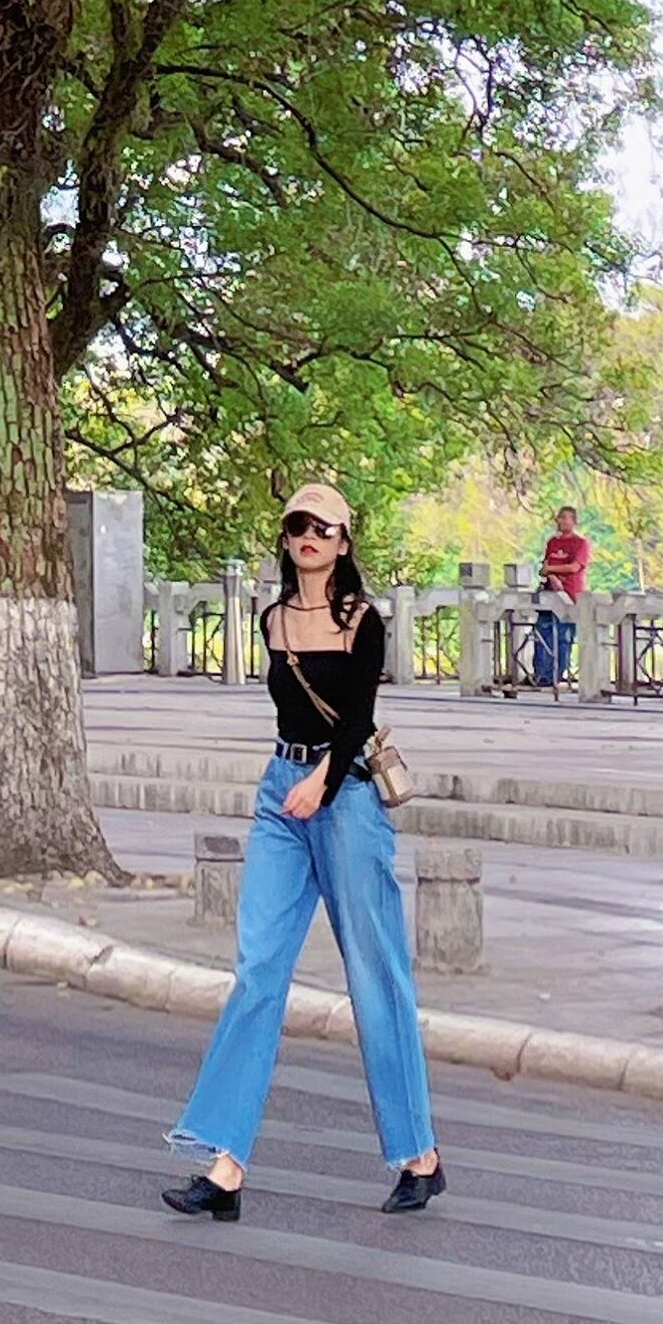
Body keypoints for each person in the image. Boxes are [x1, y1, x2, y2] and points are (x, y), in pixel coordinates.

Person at [161, 477, 444, 1221]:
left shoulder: (362, 621)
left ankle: (419, 1153)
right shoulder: (272, 620)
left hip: (344, 793)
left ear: (344, 542)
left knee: (375, 972)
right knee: (257, 971)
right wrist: (297, 781)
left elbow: (357, 717)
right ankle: (225, 1164)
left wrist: (322, 780)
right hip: (279, 794)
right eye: (297, 526)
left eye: (323, 527)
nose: (309, 536)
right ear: (286, 540)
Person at [531, 502, 589, 689]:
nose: (562, 521)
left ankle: (557, 674)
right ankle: (541, 674)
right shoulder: (552, 543)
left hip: (569, 594)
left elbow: (574, 567)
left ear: (574, 521)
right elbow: (545, 567)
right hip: (549, 594)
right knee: (543, 633)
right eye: (559, 517)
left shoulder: (580, 543)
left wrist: (552, 571)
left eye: (566, 518)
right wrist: (552, 576)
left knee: (563, 636)